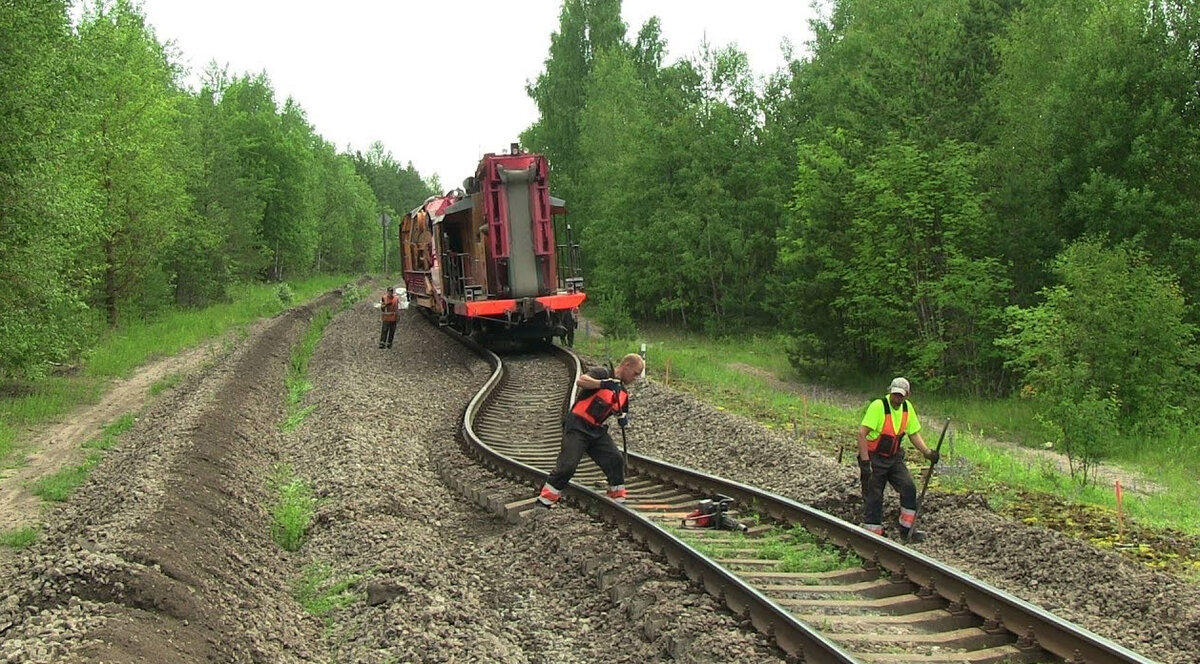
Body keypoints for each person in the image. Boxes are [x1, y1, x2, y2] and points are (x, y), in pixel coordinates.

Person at [535, 353, 646, 510]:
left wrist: (623, 418)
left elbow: (621, 411)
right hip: (577, 427)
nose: (635, 378)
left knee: (615, 460)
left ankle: (618, 502)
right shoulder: (602, 373)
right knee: (568, 466)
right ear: (626, 365)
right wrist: (602, 384)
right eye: (635, 373)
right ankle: (544, 502)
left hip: (596, 431)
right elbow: (582, 381)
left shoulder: (622, 393)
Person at [857, 377, 939, 542]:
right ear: (890, 392)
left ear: (907, 395)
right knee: (875, 495)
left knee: (909, 488)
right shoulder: (878, 407)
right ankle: (873, 533)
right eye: (894, 394)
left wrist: (927, 453)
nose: (897, 398)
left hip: (894, 458)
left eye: (900, 396)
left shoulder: (907, 409)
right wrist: (865, 463)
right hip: (874, 458)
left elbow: (913, 433)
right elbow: (861, 434)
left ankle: (907, 530)